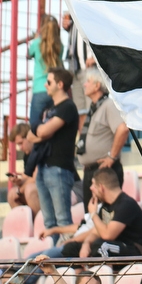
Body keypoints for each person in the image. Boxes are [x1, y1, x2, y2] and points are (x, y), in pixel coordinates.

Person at [28, 68, 79, 235]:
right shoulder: (49, 108)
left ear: (60, 84)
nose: (45, 85)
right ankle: (53, 259)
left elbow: (41, 132)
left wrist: (39, 129)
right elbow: (32, 136)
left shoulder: (68, 107)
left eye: (48, 82)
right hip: (43, 168)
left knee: (62, 220)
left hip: (59, 168)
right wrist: (41, 130)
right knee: (49, 222)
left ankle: (65, 261)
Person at [62, 167, 142, 258]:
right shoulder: (106, 206)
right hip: (113, 246)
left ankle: (101, 271)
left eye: (93, 184)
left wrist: (93, 214)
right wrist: (86, 244)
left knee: (101, 245)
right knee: (71, 248)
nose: (91, 188)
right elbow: (96, 232)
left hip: (133, 249)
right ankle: (83, 272)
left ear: (101, 187)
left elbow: (108, 235)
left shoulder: (126, 204)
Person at [76, 69, 127, 208]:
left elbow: (123, 129)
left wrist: (111, 157)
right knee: (91, 217)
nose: (84, 85)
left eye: (88, 82)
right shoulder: (94, 108)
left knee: (103, 216)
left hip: (105, 172)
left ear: (97, 86)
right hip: (91, 171)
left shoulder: (108, 105)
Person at [28, 14, 63, 131]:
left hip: (39, 89)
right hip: (54, 89)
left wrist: (36, 38)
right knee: (53, 126)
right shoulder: (60, 46)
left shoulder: (36, 43)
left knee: (35, 126)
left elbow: (28, 54)